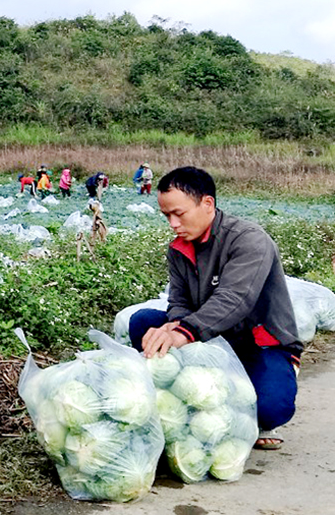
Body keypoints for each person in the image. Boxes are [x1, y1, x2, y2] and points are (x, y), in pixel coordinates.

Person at [128, 166, 301, 451]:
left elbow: (235, 300)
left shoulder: (248, 240)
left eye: (178, 214)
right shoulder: (179, 249)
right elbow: (179, 300)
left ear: (207, 203)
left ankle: (263, 385)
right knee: (143, 321)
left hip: (258, 343)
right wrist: (175, 323)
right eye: (166, 215)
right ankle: (186, 396)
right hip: (211, 338)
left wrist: (183, 332)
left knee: (272, 409)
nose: (172, 223)